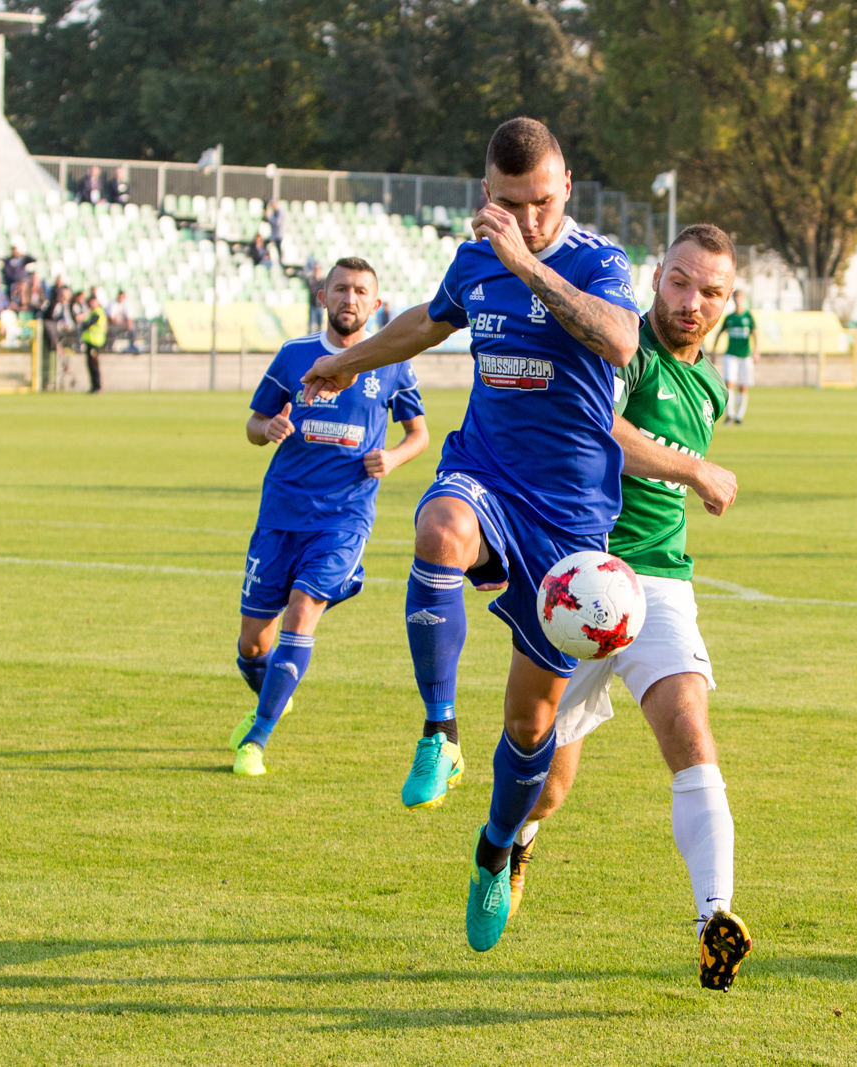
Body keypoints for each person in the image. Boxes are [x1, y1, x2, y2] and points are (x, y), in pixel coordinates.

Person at [300, 117, 645, 953]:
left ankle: (495, 849)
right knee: (438, 527)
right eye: (510, 203)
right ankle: (438, 730)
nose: (526, 217)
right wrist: (345, 364)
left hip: (569, 521)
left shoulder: (600, 262)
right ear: (485, 192)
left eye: (541, 201)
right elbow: (429, 319)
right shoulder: (474, 256)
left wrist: (527, 263)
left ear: (566, 182)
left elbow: (621, 339)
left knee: (532, 727)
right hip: (485, 474)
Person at [505, 223, 752, 991]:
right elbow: (598, 429)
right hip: (579, 575)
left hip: (660, 584)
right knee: (547, 780)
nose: (692, 301)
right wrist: (695, 468)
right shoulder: (624, 350)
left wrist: (689, 473)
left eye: (711, 291)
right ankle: (514, 843)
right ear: (657, 276)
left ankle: (716, 916)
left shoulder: (706, 383)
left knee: (687, 721)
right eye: (681, 281)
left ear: (729, 301)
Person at [230, 257, 429, 776]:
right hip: (281, 511)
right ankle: (275, 684)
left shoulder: (391, 363)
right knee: (253, 645)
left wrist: (394, 457)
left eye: (361, 291)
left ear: (376, 304)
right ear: (323, 296)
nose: (350, 299)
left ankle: (256, 737)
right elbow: (253, 424)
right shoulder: (295, 355)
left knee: (301, 610)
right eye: (341, 289)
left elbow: (418, 434)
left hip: (345, 517)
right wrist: (266, 428)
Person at [713, 289, 758, 424]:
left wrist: (757, 350)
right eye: (736, 296)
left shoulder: (748, 316)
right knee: (729, 383)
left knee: (743, 385)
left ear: (743, 299)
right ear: (733, 299)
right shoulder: (730, 318)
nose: (738, 299)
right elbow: (720, 333)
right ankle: (730, 415)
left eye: (740, 296)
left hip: (745, 356)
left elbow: (755, 334)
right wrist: (714, 351)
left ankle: (739, 416)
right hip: (731, 354)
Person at [80, 293, 108, 393]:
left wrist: (83, 324)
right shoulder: (92, 313)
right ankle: (94, 386)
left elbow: (89, 324)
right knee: (91, 365)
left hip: (95, 343)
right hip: (90, 342)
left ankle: (97, 386)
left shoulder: (97, 313)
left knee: (94, 365)